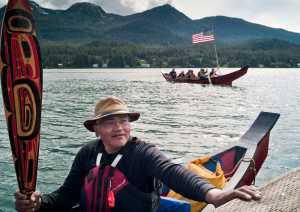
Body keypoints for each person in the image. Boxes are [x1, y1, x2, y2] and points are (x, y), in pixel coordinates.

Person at [15, 96, 262, 212]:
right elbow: (67, 196)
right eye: (109, 122)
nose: (119, 127)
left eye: (123, 120)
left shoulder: (143, 153)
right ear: (96, 129)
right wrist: (38, 203)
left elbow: (172, 172)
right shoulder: (87, 153)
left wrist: (214, 194)